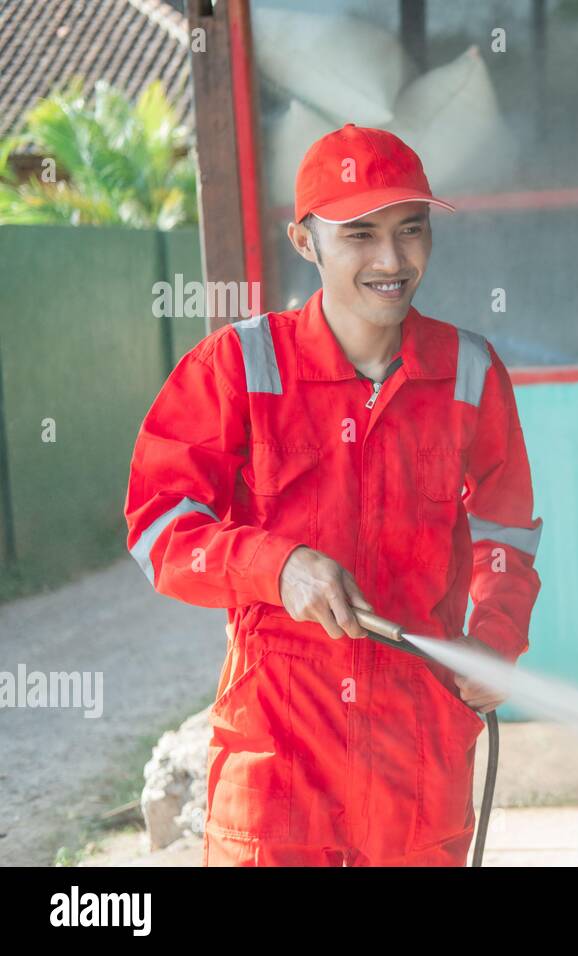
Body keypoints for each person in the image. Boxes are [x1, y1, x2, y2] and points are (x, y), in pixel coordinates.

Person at [124, 123, 543, 866]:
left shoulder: (469, 371)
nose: (391, 259)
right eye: (360, 235)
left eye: (410, 231)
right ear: (304, 241)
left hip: (417, 749)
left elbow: (504, 530)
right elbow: (160, 527)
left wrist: (497, 636)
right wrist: (274, 566)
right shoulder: (238, 366)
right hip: (278, 753)